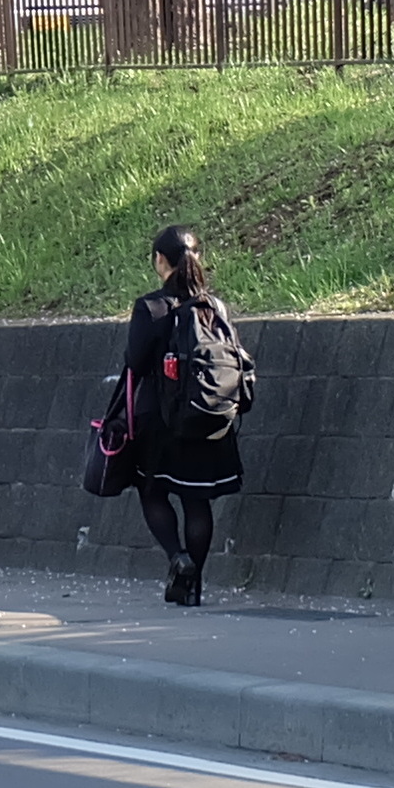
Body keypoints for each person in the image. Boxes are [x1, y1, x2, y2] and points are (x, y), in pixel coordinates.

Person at [124, 224, 243, 607]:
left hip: (162, 421)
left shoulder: (152, 307)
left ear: (161, 261)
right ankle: (194, 586)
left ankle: (178, 557)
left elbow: (135, 362)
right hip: (210, 417)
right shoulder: (216, 307)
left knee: (152, 490)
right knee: (197, 501)